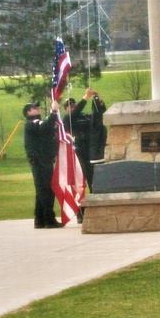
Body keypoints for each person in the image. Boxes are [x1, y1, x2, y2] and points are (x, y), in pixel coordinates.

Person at [62, 87, 107, 223]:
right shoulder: (68, 119)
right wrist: (85, 98)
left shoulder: (85, 116)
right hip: (78, 154)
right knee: (80, 184)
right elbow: (74, 114)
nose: (73, 107)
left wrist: (99, 103)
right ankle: (80, 212)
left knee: (94, 180)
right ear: (66, 109)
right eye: (70, 106)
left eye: (74, 104)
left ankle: (95, 208)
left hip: (92, 152)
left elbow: (98, 118)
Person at [23, 99, 62, 229]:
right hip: (40, 161)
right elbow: (45, 126)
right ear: (28, 112)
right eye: (34, 108)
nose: (37, 108)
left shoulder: (39, 121)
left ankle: (39, 219)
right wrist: (54, 111)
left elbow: (48, 127)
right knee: (46, 190)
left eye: (37, 107)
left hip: (45, 159)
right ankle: (49, 219)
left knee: (41, 191)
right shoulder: (30, 123)